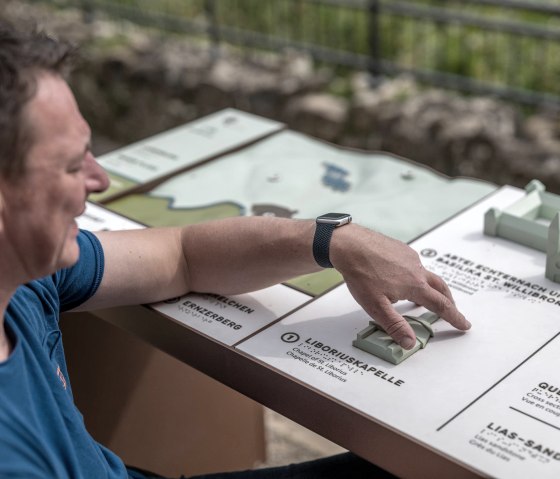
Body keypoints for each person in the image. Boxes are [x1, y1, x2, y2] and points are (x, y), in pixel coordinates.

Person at [0, 21, 470, 479]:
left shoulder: (21, 272)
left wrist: (334, 241)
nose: (99, 180)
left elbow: (181, 255)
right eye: (69, 164)